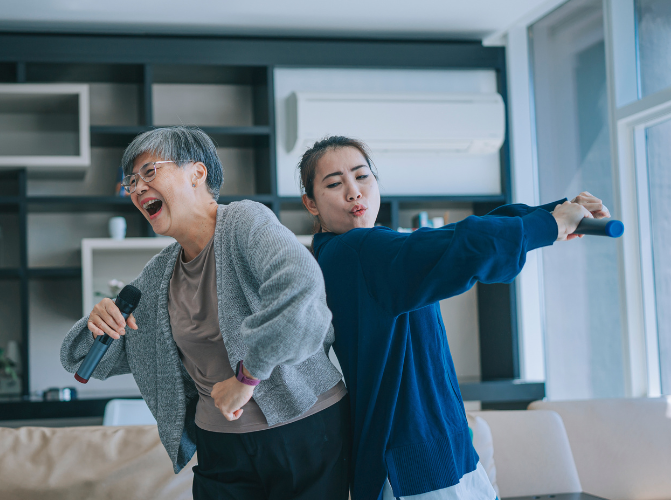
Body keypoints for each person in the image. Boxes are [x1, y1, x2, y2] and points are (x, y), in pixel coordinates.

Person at [297, 136, 610, 500]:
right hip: (417, 470)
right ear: (311, 203)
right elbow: (460, 245)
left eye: (362, 176)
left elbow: (447, 235)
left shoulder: (363, 252)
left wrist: (557, 212)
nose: (354, 192)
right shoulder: (356, 252)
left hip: (437, 456)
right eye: (334, 184)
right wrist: (550, 225)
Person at [61, 126, 350, 500]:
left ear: (197, 173)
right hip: (221, 448)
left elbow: (302, 292)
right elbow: (87, 361)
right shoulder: (157, 274)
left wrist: (248, 376)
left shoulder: (245, 222)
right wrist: (97, 322)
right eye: (131, 181)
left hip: (304, 428)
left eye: (150, 172)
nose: (136, 189)